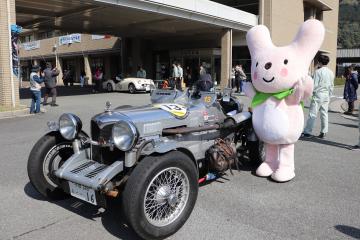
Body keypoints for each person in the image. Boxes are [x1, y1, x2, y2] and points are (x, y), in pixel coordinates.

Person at [302, 55, 334, 139]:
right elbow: (331, 86)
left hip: (318, 94)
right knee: (324, 114)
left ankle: (307, 132)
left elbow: (314, 85)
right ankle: (324, 132)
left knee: (313, 114)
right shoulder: (331, 72)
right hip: (326, 94)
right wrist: (329, 95)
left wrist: (310, 94)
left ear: (319, 62)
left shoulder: (318, 72)